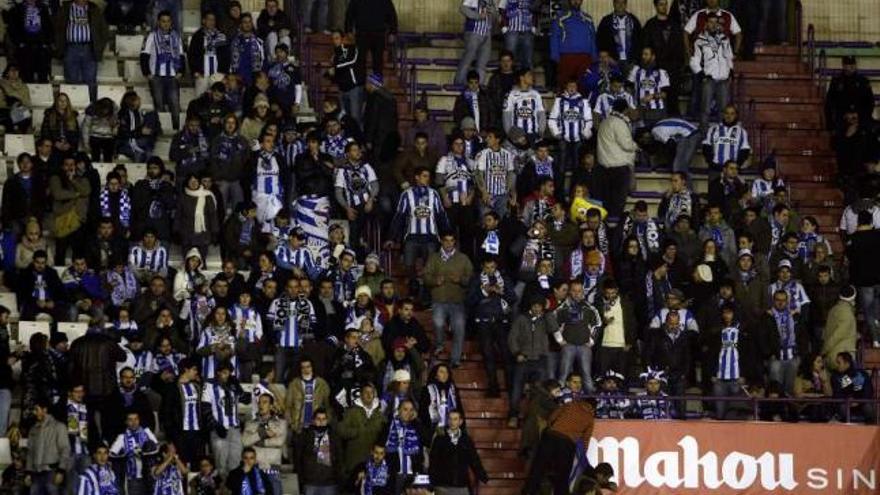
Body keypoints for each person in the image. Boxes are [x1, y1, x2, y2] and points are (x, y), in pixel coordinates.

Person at [522, 398, 595, 495]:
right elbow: (585, 440)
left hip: (551, 436)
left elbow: (553, 417)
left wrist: (550, 428)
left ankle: (528, 492)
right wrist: (583, 453)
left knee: (538, 468)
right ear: (593, 408)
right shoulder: (590, 418)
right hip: (567, 444)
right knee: (562, 476)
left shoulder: (570, 404)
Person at [424, 233, 474, 367]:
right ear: (441, 241)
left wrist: (461, 280)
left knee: (459, 328)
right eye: (446, 240)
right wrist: (435, 281)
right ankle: (440, 344)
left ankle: (455, 359)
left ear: (455, 242)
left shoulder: (463, 259)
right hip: (439, 299)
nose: (449, 243)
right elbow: (426, 277)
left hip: (457, 301)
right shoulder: (434, 258)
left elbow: (472, 279)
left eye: (451, 241)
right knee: (438, 322)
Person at [54, 0, 109, 101]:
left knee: (91, 81)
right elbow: (57, 28)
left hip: (89, 48)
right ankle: (71, 107)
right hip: (70, 48)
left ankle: (92, 106)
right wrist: (59, 46)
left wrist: (99, 47)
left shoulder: (94, 9)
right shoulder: (65, 8)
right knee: (71, 80)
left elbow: (104, 30)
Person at [141, 11, 185, 131]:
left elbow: (181, 55)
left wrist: (181, 71)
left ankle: (176, 130)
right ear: (159, 22)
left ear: (171, 23)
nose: (165, 24)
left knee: (175, 104)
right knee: (158, 104)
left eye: (168, 21)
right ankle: (161, 130)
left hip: (172, 75)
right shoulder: (152, 36)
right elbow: (144, 54)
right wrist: (147, 73)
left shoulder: (176, 36)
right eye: (163, 21)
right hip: (156, 76)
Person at [549, 79, 593, 193]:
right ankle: (559, 192)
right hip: (563, 138)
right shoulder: (559, 101)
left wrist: (584, 133)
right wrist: (556, 133)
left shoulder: (583, 101)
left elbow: (588, 120)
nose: (572, 88)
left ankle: (575, 192)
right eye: (570, 85)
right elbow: (553, 119)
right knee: (561, 167)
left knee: (577, 167)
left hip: (578, 139)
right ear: (566, 87)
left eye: (574, 85)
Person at [428, 411, 488, 494]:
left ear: (460, 421)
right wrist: (432, 481)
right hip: (443, 485)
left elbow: (474, 459)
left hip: (461, 485)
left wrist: (482, 476)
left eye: (455, 419)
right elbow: (433, 461)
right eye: (450, 419)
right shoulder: (440, 439)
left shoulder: (466, 440)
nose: (452, 422)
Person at [596, 99, 638, 218]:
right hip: (619, 169)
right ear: (625, 109)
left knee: (607, 202)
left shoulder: (604, 122)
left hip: (604, 168)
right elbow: (626, 144)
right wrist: (636, 146)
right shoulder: (619, 123)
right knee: (617, 204)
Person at [689, 16, 733, 129]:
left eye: (715, 22)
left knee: (723, 110)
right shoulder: (700, 41)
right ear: (706, 24)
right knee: (705, 109)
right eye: (711, 22)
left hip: (723, 79)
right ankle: (704, 137)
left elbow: (729, 56)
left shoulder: (724, 39)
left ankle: (722, 134)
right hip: (709, 79)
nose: (713, 24)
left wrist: (731, 71)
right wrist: (701, 74)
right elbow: (694, 60)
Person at [846, 211, 880, 348]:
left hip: (864, 282)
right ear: (871, 221)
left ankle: (876, 340)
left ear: (858, 221)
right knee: (877, 312)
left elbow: (849, 259)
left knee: (869, 312)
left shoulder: (853, 239)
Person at [550, 0, 597, 90]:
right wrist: (555, 56)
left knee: (584, 86)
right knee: (565, 86)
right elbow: (555, 37)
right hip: (567, 57)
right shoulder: (560, 18)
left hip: (585, 58)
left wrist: (594, 57)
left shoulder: (588, 19)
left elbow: (592, 38)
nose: (576, 2)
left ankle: (584, 104)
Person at [109, 412, 159, 495]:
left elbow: (157, 448)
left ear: (139, 420)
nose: (134, 422)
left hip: (150, 476)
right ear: (126, 422)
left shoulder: (146, 432)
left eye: (136, 419)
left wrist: (144, 452)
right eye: (130, 420)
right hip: (133, 478)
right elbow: (111, 454)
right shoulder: (122, 437)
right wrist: (127, 453)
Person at [345, 0, 398, 75]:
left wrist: (393, 32)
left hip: (379, 34)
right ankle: (361, 85)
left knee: (378, 64)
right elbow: (350, 13)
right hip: (362, 34)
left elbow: (391, 15)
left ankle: (376, 85)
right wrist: (348, 30)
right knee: (360, 63)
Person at [295, 409, 341, 494]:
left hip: (329, 482)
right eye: (318, 419)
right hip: (310, 482)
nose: (321, 421)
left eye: (323, 419)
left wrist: (338, 477)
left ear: (327, 421)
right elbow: (298, 457)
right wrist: (302, 478)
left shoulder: (333, 436)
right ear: (313, 420)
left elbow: (339, 458)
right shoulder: (305, 435)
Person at [6, 0, 54, 83]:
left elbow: (49, 26)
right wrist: (19, 43)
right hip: (25, 48)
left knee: (43, 76)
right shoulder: (17, 9)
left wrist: (46, 43)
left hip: (41, 47)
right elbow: (12, 28)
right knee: (26, 77)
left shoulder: (43, 8)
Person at [474, 129, 516, 219]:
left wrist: (509, 191)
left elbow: (510, 173)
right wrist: (484, 192)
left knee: (501, 222)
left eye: (490, 137)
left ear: (497, 140)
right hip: (487, 195)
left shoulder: (507, 155)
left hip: (502, 196)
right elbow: (478, 174)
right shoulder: (483, 154)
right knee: (486, 221)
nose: (487, 139)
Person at [454, 0, 499, 85]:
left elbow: (496, 16)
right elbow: (463, 8)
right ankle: (458, 84)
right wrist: (477, 16)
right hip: (474, 32)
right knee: (467, 60)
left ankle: (479, 87)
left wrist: (493, 13)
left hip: (487, 33)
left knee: (482, 64)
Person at [824, 55, 875, 131]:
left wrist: (858, 115)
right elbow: (830, 103)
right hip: (842, 119)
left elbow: (870, 102)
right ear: (843, 66)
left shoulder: (863, 81)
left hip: (860, 119)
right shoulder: (836, 81)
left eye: (853, 64)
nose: (851, 67)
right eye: (848, 64)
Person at [329, 31, 366, 123]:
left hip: (354, 87)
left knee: (355, 118)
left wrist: (336, 67)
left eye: (337, 38)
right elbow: (337, 73)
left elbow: (352, 61)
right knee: (344, 118)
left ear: (343, 39)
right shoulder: (335, 55)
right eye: (333, 39)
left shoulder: (351, 48)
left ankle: (358, 137)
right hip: (342, 89)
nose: (335, 41)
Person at [701, 105, 750, 173]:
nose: (729, 116)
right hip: (715, 168)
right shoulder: (713, 129)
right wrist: (712, 164)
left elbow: (744, 150)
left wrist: (737, 165)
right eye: (726, 113)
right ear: (723, 115)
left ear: (736, 115)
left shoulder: (742, 132)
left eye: (732, 114)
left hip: (733, 170)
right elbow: (706, 147)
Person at [831, 352, 875, 423]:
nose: (837, 365)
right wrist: (848, 400)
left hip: (861, 403)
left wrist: (858, 401)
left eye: (839, 363)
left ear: (847, 364)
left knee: (868, 407)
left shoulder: (862, 374)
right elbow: (837, 393)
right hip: (845, 403)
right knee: (842, 408)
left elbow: (868, 392)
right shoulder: (835, 376)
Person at [596, 0, 642, 67]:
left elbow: (640, 41)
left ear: (626, 4)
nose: (620, 5)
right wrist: (607, 57)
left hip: (631, 62)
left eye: (623, 2)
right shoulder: (606, 21)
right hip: (612, 62)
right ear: (613, 4)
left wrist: (635, 60)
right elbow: (600, 40)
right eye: (618, 2)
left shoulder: (634, 20)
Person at [229, 13, 264, 86]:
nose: (247, 24)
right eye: (245, 22)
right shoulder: (235, 42)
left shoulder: (259, 42)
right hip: (238, 79)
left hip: (255, 79)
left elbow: (264, 61)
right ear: (241, 24)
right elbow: (231, 63)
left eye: (249, 22)